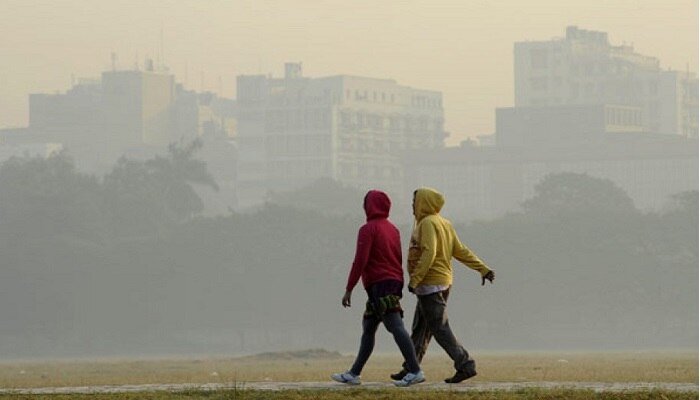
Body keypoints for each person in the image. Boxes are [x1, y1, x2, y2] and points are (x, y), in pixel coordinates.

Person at [391, 187, 495, 384]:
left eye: (415, 202)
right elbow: (460, 250)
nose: (412, 206)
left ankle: (465, 364)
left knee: (439, 328)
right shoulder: (444, 223)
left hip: (430, 283)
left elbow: (429, 252)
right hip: (442, 281)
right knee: (421, 327)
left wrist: (415, 280)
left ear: (424, 203)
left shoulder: (427, 223)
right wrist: (483, 269)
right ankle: (410, 367)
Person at [331, 190, 425, 387]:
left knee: (395, 325)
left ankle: (415, 370)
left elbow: (361, 260)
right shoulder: (393, 229)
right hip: (391, 282)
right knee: (369, 327)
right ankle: (354, 373)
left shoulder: (368, 229)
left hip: (380, 284)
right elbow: (398, 258)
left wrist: (349, 288)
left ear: (369, 206)